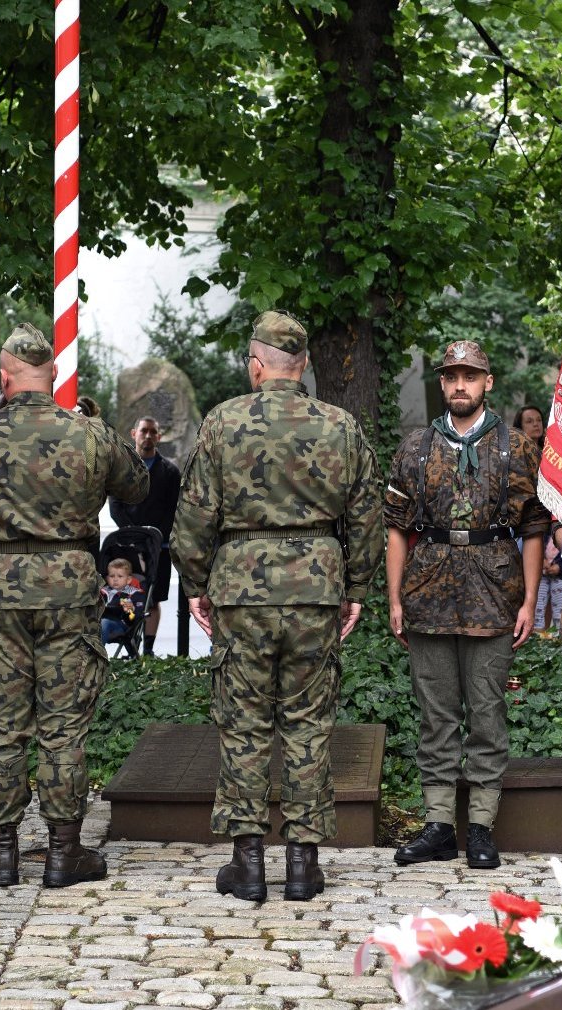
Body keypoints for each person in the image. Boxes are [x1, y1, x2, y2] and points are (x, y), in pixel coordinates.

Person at [172, 310, 384, 902]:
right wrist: (355, 588)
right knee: (309, 724)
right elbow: (367, 515)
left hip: (242, 590)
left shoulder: (224, 421)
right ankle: (301, 865)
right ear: (306, 365)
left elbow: (193, 515)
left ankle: (248, 865)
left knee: (243, 725)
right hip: (316, 589)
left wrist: (196, 582)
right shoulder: (340, 426)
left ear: (256, 365)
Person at [0, 322, 149, 889]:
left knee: (3, 722)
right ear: (54, 374)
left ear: (4, 377)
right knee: (63, 725)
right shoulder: (88, 435)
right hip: (68, 584)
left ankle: (2, 853)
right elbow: (135, 486)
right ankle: (64, 853)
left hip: (4, 584)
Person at [385, 339, 547, 872]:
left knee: (486, 713)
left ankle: (479, 826)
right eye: (451, 376)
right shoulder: (415, 448)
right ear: (442, 383)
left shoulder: (517, 448)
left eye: (469, 376)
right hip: (428, 590)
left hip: (493, 593)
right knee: (435, 715)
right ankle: (437, 825)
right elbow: (396, 529)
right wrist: (395, 599)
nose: (460, 385)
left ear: (488, 383)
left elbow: (533, 528)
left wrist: (528, 598)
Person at [109, 417, 182, 655]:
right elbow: (115, 505)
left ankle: (148, 649)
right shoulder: (122, 468)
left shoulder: (170, 472)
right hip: (127, 546)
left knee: (154, 598)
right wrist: (134, 535)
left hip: (159, 547)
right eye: (143, 431)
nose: (148, 436)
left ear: (158, 437)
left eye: (153, 432)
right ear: (133, 433)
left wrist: (153, 536)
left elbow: (173, 509)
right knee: (127, 594)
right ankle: (129, 644)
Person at [99, 558, 145, 644]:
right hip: (102, 624)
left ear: (128, 580)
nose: (115, 579)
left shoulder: (135, 594)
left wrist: (131, 610)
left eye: (120, 576)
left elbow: (137, 617)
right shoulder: (104, 592)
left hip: (124, 627)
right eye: (112, 576)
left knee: (104, 623)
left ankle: (97, 655)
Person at [535, 531, 562, 632]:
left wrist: (561, 567)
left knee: (560, 610)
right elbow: (535, 547)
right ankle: (536, 638)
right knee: (537, 606)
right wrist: (541, 560)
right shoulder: (545, 533)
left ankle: (558, 638)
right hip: (542, 574)